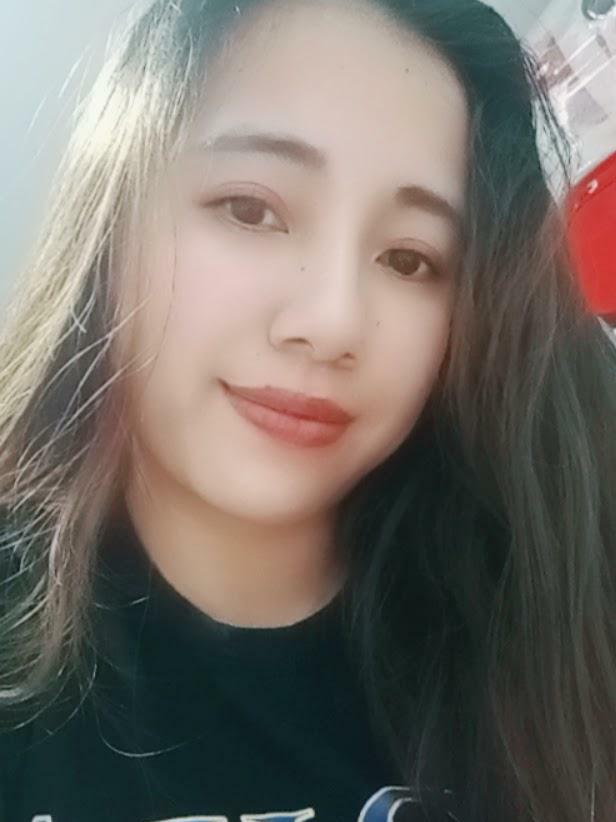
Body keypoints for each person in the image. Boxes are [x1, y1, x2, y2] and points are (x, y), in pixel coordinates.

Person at [0, 0, 614, 820]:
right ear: (112, 221)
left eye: (409, 258)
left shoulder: (556, 640)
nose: (331, 323)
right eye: (251, 209)